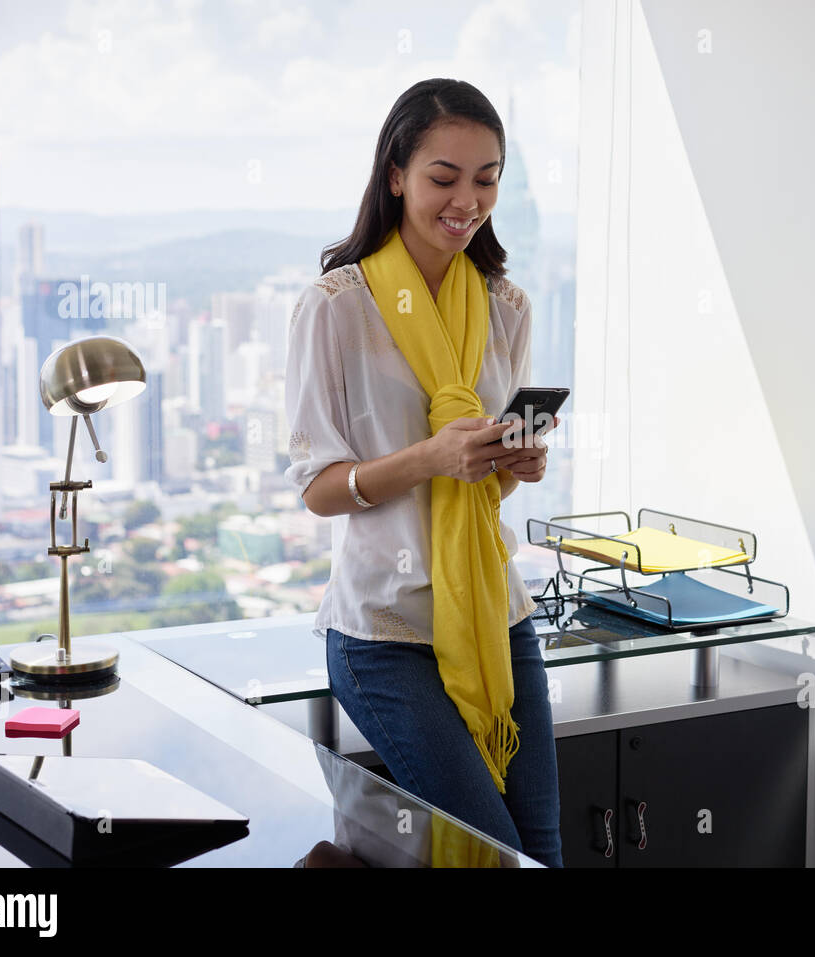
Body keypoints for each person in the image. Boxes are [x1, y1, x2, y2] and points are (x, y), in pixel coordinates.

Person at [283, 78, 563, 867]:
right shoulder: (337, 307)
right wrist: (431, 457)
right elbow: (318, 487)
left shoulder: (506, 305)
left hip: (496, 619)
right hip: (385, 634)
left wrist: (516, 461)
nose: (466, 200)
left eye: (487, 177)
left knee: (540, 849)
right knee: (490, 856)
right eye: (444, 177)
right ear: (397, 173)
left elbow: (485, 487)